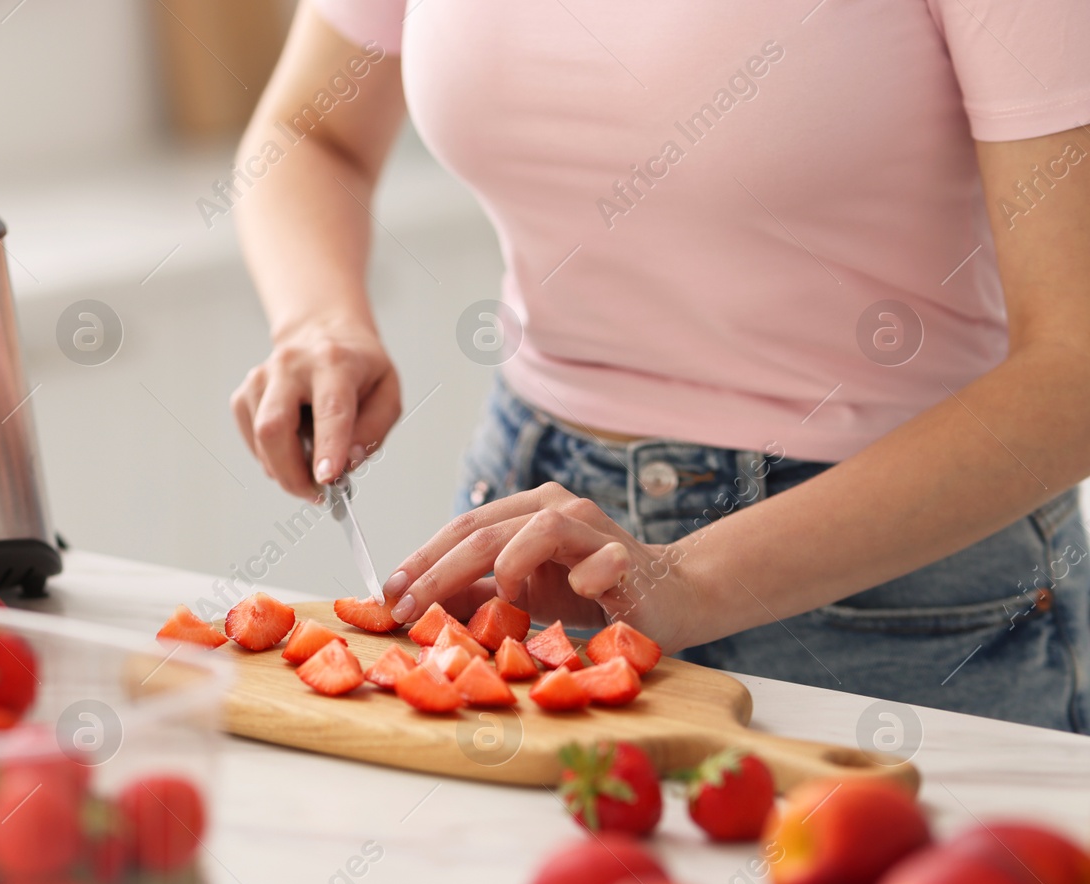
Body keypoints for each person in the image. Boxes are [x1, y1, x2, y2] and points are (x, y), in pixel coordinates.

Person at [227, 0, 1090, 732]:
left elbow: (1075, 371)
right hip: (531, 525)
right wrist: (318, 319)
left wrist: (688, 579)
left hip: (889, 589)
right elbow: (313, 131)